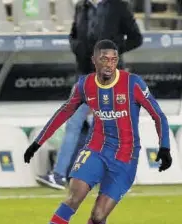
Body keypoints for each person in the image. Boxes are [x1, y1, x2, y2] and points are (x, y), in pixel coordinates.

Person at [22, 39, 172, 224]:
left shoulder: (133, 84)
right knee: (74, 197)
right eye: (104, 59)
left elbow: (158, 115)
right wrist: (37, 142)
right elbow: (64, 112)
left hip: (125, 157)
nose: (109, 64)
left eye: (113, 60)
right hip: (96, 149)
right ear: (94, 60)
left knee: (98, 216)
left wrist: (164, 148)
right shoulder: (85, 85)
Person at [37, 0, 143, 190]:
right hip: (84, 76)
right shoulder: (82, 6)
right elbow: (74, 35)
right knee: (73, 123)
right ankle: (59, 174)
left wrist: (112, 54)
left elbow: (136, 38)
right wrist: (78, 48)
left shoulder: (117, 5)